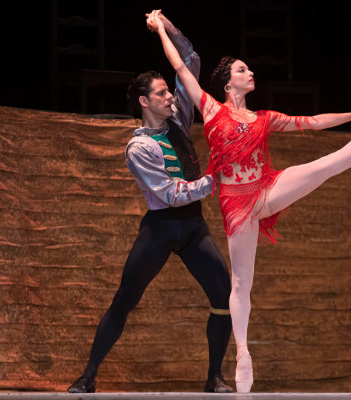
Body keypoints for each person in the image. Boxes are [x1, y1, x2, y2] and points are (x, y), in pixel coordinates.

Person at [148, 10, 351, 393]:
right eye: (243, 70)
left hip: (266, 189)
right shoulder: (211, 109)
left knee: (329, 164)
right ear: (228, 82)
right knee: (241, 282)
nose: (250, 73)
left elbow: (309, 121)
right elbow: (179, 64)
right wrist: (161, 27)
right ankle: (242, 352)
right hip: (237, 204)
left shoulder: (263, 118)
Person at [67, 13, 233, 394]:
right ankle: (88, 376)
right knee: (125, 299)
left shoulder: (180, 116)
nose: (170, 96)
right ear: (144, 101)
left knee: (223, 297)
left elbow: (190, 60)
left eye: (168, 90)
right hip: (161, 229)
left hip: (192, 228)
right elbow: (171, 193)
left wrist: (166, 27)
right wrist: (215, 180)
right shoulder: (139, 147)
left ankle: (214, 377)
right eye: (161, 93)